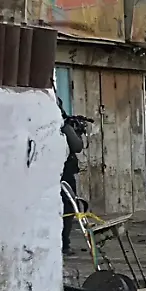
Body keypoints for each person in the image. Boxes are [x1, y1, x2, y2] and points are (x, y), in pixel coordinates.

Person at [59, 100, 84, 255]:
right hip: (64, 174)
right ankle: (64, 244)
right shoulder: (63, 125)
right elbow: (77, 146)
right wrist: (77, 132)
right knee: (68, 208)